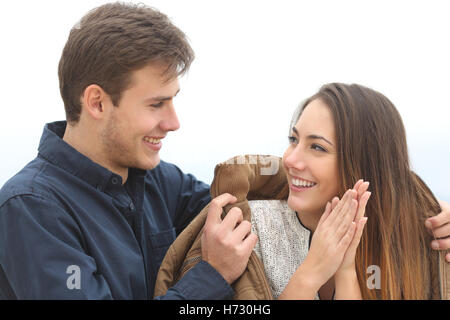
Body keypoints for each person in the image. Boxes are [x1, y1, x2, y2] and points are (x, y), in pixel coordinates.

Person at [0, 2, 257, 299]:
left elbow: (248, 212)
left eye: (173, 100)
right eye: (156, 104)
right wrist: (212, 277)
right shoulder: (32, 208)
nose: (173, 123)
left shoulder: (159, 180)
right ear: (97, 102)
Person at [276, 83, 449, 299]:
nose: (290, 159)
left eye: (317, 147)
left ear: (364, 165)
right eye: (294, 139)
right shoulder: (249, 231)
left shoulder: (420, 243)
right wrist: (311, 273)